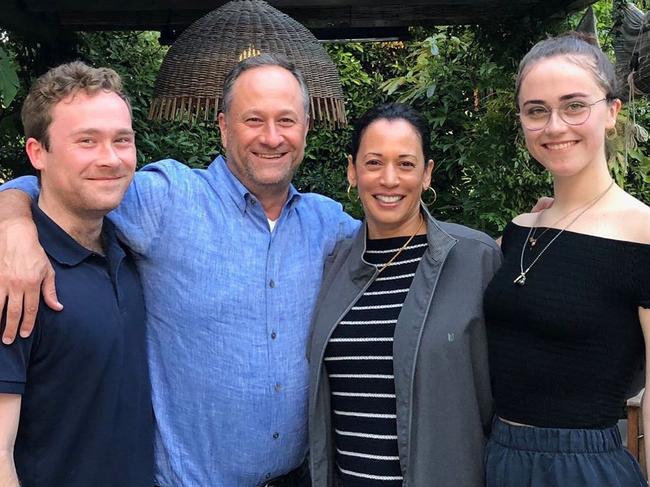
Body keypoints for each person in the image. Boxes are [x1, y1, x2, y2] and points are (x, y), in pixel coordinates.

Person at [0, 53, 358, 486]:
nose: (271, 136)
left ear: (305, 128)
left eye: (286, 120)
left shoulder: (329, 225)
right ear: (223, 126)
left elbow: (398, 238)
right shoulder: (167, 201)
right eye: (253, 120)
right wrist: (14, 222)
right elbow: (65, 182)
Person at [484, 32, 650, 487]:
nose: (554, 126)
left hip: (585, 470)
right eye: (536, 110)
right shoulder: (519, 232)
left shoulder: (644, 234)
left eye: (575, 105)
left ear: (612, 112)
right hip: (499, 461)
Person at [308, 103, 502, 486]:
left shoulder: (474, 259)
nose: (390, 179)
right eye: (374, 163)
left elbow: (501, 400)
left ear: (427, 173)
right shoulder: (334, 265)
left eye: (406, 164)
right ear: (352, 170)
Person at [0, 61, 152, 486]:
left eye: (122, 140)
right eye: (87, 141)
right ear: (37, 153)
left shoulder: (129, 253)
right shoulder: (16, 275)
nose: (110, 159)